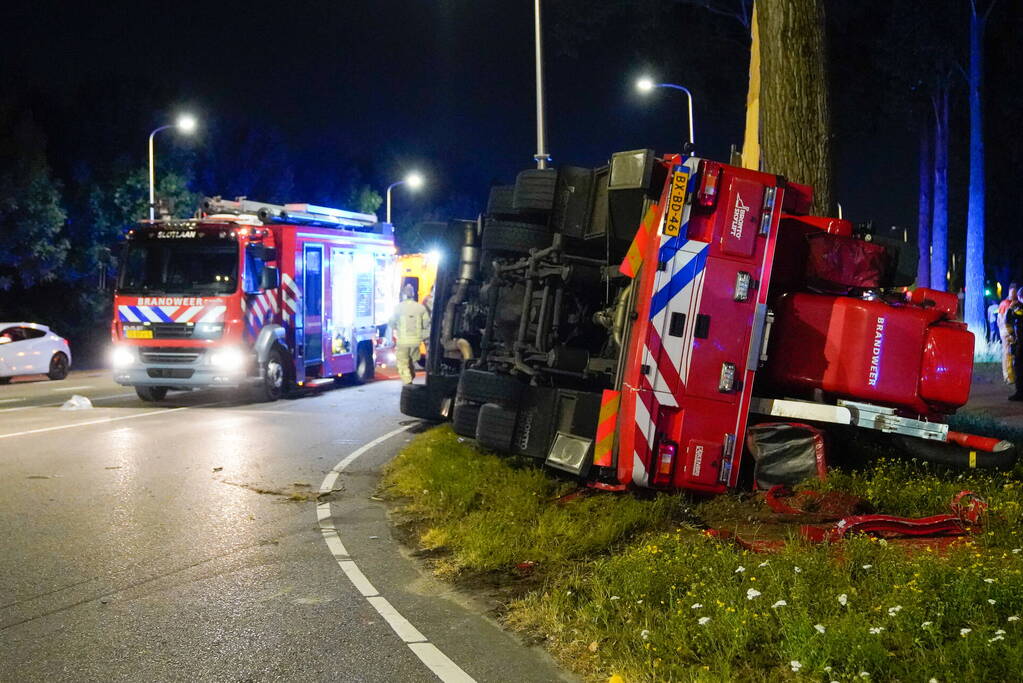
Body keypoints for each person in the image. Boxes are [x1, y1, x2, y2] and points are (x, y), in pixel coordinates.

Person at [391, 283, 430, 384]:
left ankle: (408, 383)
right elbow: (426, 323)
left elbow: (391, 323)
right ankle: (411, 377)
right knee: (411, 361)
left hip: (403, 341)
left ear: (403, 295)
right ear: (413, 294)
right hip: (416, 341)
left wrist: (397, 328)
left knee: (403, 363)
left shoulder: (398, 308)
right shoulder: (421, 308)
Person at [999, 284, 1018, 384]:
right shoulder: (1005, 304)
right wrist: (1008, 333)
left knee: (1012, 355)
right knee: (1007, 354)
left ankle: (1011, 375)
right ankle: (1008, 376)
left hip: (1012, 333)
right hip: (1007, 333)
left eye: (1015, 293)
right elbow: (1002, 320)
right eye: (1012, 292)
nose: (1014, 295)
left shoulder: (1015, 303)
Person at [1009, 289, 1023, 401]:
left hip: (1021, 344)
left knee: (1018, 367)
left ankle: (1020, 393)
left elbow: (1009, 319)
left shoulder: (1019, 309)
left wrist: (1011, 308)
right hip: (1019, 342)